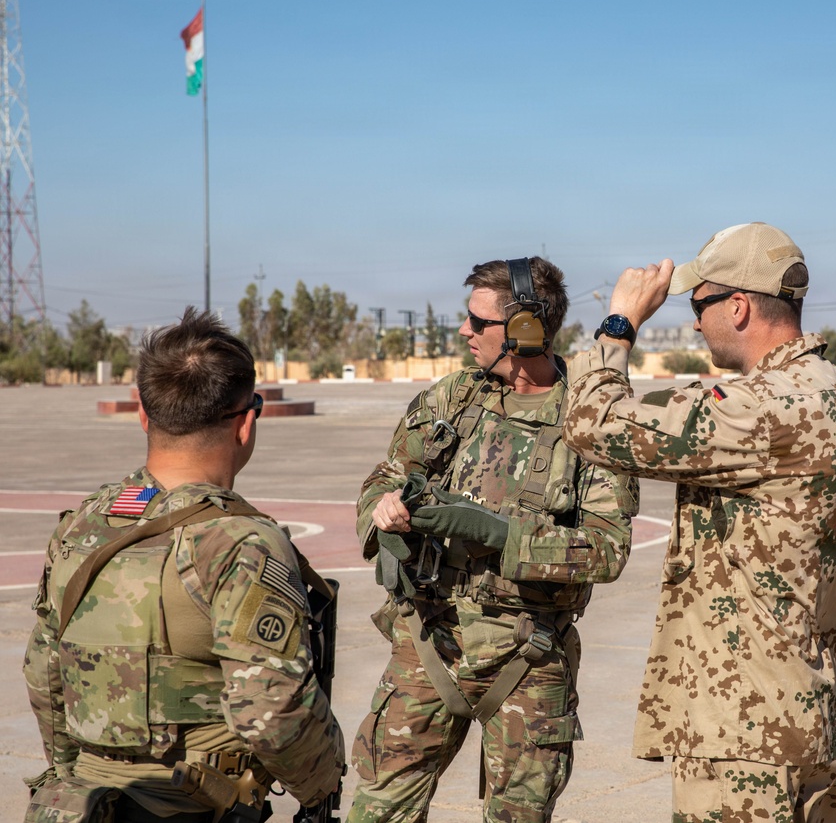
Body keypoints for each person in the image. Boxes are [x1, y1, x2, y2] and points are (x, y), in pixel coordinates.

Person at [561, 223, 836, 822]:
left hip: (745, 736)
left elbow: (592, 421)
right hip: (813, 721)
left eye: (698, 305)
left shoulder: (761, 408)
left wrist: (619, 325)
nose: (693, 322)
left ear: (737, 306)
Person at [23, 307, 346, 823]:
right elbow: (271, 711)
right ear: (245, 423)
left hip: (80, 805)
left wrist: (70, 779)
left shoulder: (85, 523)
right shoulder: (240, 541)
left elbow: (44, 671)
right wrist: (322, 783)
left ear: (144, 415)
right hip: (189, 807)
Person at [348, 257, 639, 823]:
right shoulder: (451, 400)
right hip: (428, 642)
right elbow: (383, 477)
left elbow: (607, 550)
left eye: (478, 322)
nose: (464, 332)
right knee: (376, 810)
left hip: (527, 656)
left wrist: (499, 535)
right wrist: (383, 509)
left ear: (525, 329)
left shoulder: (590, 418)